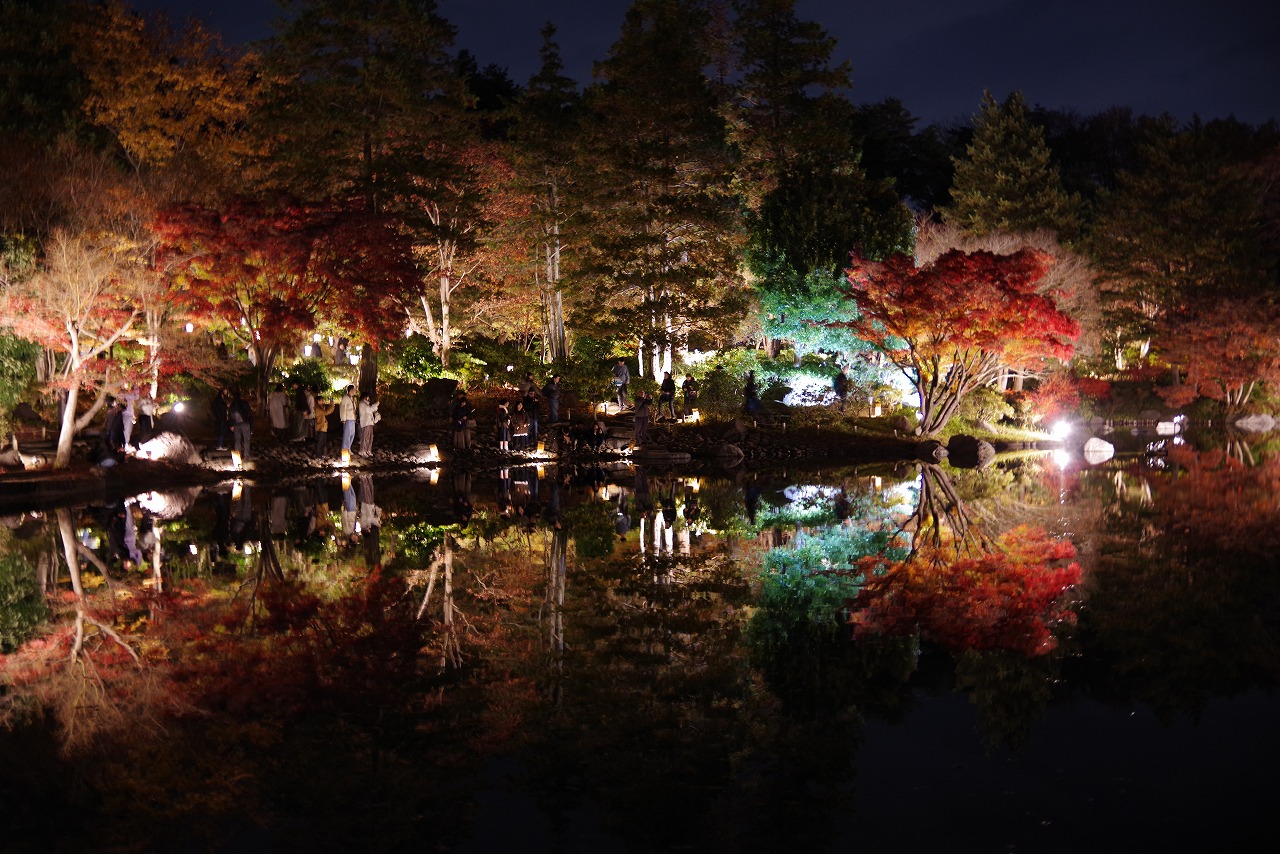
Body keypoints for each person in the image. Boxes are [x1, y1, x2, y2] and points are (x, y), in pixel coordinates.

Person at [229, 389, 252, 460]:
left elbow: (230, 416)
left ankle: (237, 457)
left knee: (237, 440)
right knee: (246, 440)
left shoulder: (232, 405)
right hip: (245, 423)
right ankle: (246, 456)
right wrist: (251, 426)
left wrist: (231, 425)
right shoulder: (244, 403)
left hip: (236, 424)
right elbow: (250, 414)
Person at [339, 385, 357, 453]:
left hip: (352, 418)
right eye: (354, 390)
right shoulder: (345, 398)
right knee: (347, 434)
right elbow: (342, 408)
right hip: (347, 418)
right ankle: (345, 449)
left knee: (352, 434)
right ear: (351, 390)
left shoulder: (352, 398)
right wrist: (343, 419)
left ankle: (348, 447)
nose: (355, 391)